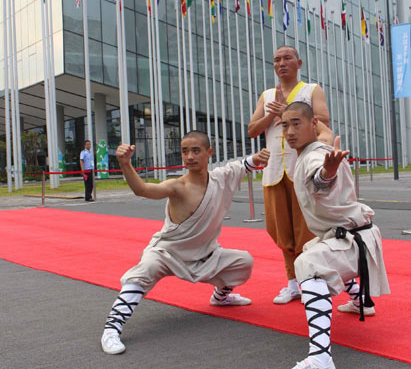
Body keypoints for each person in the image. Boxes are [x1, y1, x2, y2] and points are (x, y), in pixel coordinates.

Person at [101, 130, 270, 355]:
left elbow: (244, 164)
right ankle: (112, 328)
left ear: (209, 152)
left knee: (243, 261)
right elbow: (142, 189)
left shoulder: (221, 176)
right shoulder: (177, 186)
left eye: (195, 150)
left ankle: (221, 297)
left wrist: (259, 158)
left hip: (205, 254)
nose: (189, 156)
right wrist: (125, 164)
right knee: (144, 270)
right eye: (184, 151)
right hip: (167, 253)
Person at [281, 102, 389, 369]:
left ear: (313, 124)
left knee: (307, 265)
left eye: (297, 123)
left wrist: (327, 173)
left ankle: (321, 356)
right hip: (350, 237)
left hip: (353, 242)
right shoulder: (314, 152)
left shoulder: (316, 157)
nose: (290, 131)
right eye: (285, 125)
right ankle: (360, 300)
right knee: (311, 249)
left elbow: (320, 181)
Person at [248, 45, 330, 304]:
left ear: (299, 62)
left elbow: (324, 119)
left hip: (303, 167)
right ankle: (293, 283)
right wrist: (272, 113)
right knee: (280, 230)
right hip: (274, 169)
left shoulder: (311, 90)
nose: (281, 63)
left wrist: (286, 112)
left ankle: (311, 281)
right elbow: (252, 129)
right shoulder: (267, 95)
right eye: (276, 59)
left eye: (287, 58)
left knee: (306, 229)